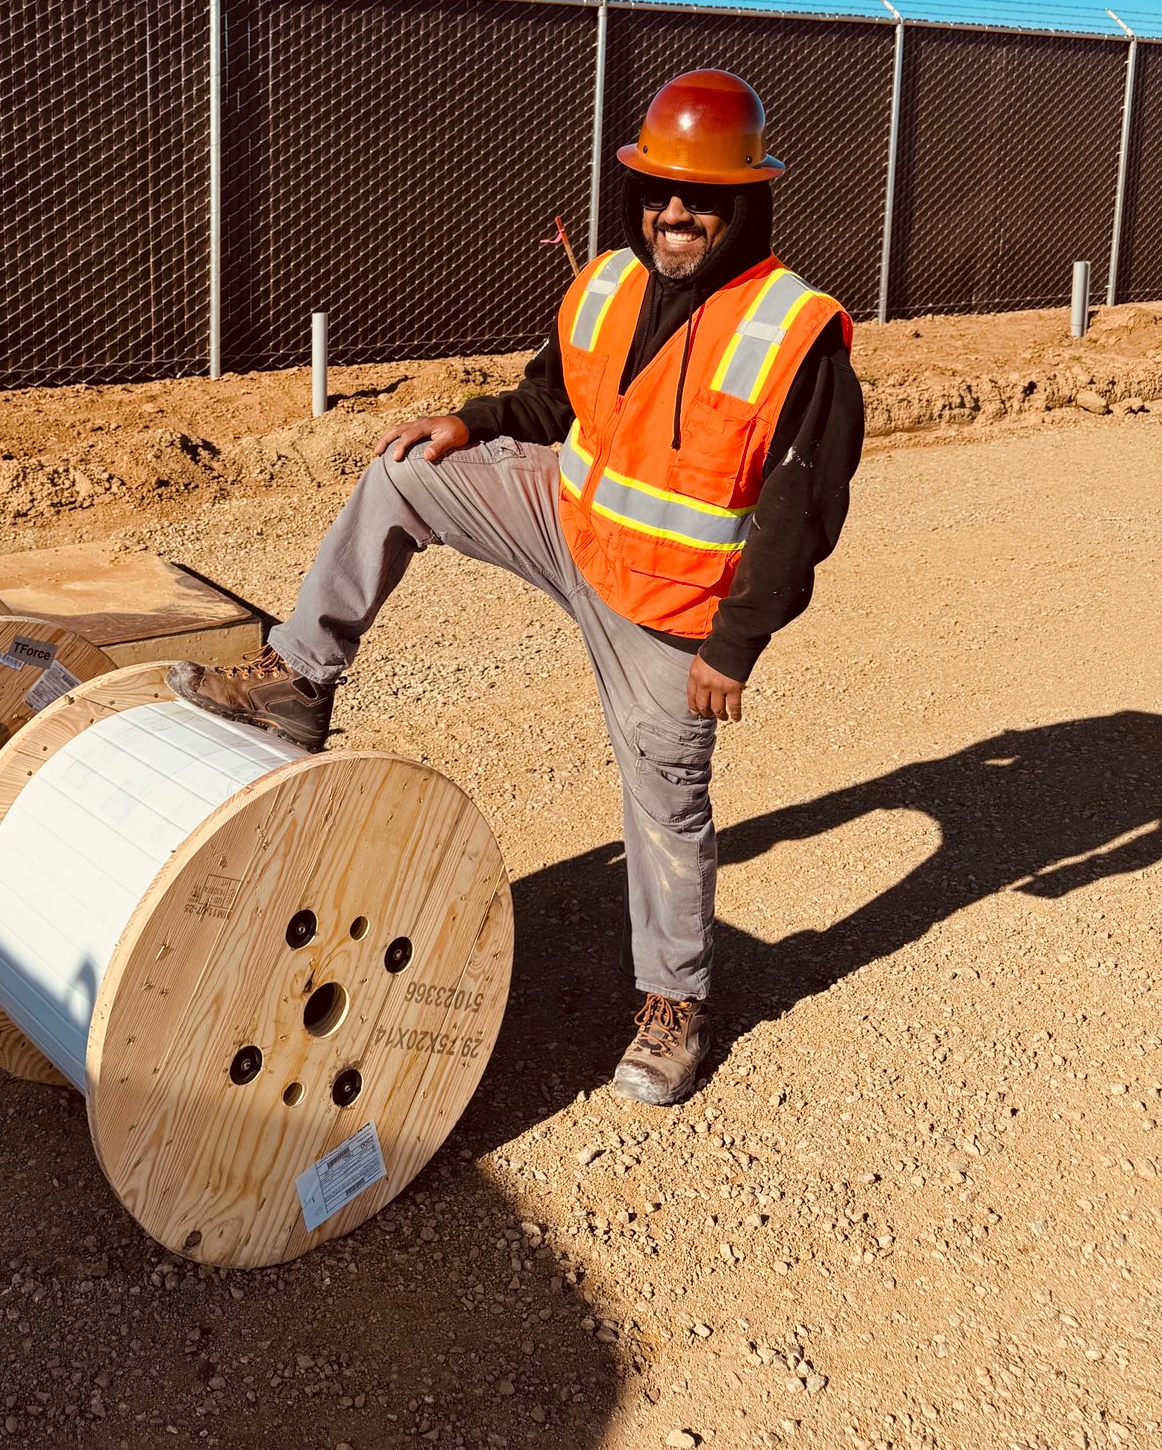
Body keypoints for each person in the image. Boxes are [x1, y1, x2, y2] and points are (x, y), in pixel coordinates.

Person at [169, 70, 864, 1105]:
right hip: (568, 528)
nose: (673, 213)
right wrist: (473, 422)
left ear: (746, 199)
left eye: (698, 196)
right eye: (657, 191)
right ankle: (299, 679)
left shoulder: (791, 330)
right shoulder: (607, 285)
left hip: (669, 612)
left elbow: (800, 508)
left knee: (665, 800)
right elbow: (554, 398)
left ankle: (672, 1006)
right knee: (404, 471)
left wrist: (736, 641)